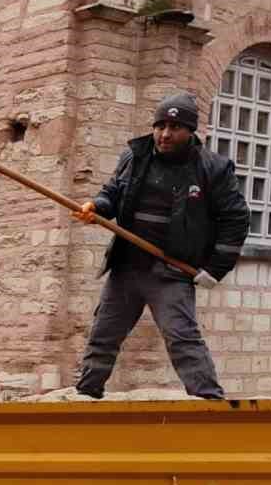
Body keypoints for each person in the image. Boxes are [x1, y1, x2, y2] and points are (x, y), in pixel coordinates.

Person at [72, 91, 250, 400]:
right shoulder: (135, 156)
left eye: (175, 127)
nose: (165, 134)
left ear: (191, 131)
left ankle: (211, 404)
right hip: (127, 267)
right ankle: (86, 396)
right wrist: (96, 207)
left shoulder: (212, 168)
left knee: (183, 339)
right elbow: (112, 193)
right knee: (102, 335)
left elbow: (236, 220)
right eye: (160, 126)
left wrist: (214, 269)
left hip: (171, 272)